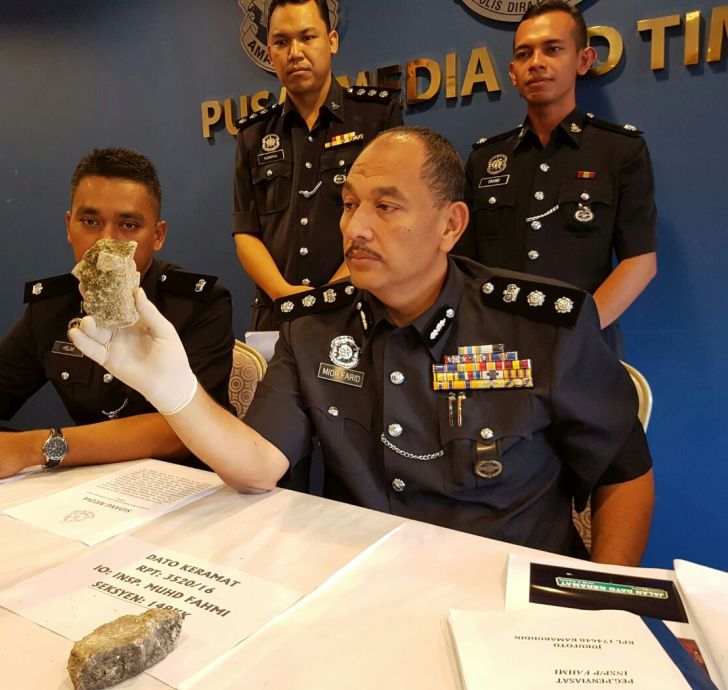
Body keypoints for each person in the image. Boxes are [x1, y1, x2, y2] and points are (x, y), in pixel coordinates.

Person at [71, 127, 654, 566]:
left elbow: (623, 473)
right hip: (363, 583)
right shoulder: (312, 326)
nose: (354, 228)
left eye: (386, 206)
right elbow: (258, 467)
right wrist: (176, 394)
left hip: (502, 595)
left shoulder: (540, 326)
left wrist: (605, 612)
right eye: (349, 204)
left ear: (450, 226)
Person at [0, 148, 234, 480]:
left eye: (128, 226)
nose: (105, 243)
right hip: (92, 491)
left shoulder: (199, 305)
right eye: (90, 221)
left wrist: (32, 447)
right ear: (69, 226)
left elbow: (179, 430)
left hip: (188, 493)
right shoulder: (53, 308)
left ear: (158, 236)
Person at [454, 0, 657, 356]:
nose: (537, 63)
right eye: (524, 53)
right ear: (513, 72)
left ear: (583, 60)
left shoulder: (619, 150)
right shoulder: (485, 159)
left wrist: (579, 327)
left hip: (584, 351)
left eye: (553, 49)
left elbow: (640, 261)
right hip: (498, 351)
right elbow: (463, 266)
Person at [233, 0, 403, 330]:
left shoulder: (376, 118)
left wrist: (329, 295)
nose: (294, 52)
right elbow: (245, 232)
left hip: (357, 305)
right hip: (277, 313)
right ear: (270, 53)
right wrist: (285, 295)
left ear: (332, 41)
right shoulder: (253, 135)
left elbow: (388, 215)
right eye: (282, 42)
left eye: (307, 37)